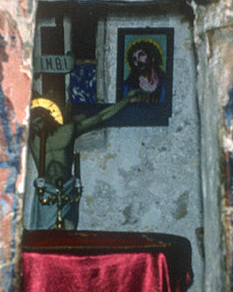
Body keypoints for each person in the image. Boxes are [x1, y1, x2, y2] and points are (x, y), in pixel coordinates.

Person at [26, 86, 144, 230]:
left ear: (47, 117)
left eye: (39, 121)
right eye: (34, 124)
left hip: (67, 189)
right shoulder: (32, 140)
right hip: (46, 189)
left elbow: (101, 116)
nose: (37, 127)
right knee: (44, 232)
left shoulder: (67, 131)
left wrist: (126, 100)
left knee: (68, 228)